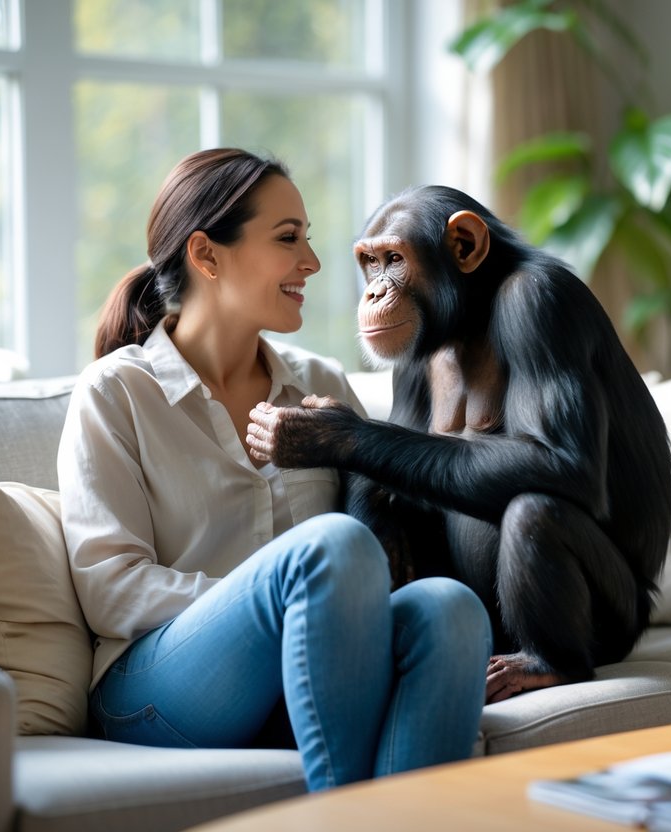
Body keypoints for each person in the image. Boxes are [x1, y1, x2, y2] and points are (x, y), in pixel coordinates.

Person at [57, 147, 492, 791]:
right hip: (154, 689)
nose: (313, 263)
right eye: (288, 239)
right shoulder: (116, 393)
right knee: (328, 548)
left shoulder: (320, 383)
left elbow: (376, 545)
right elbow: (111, 589)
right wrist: (279, 601)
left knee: (449, 610)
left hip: (308, 667)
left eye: (308, 240)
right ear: (206, 255)